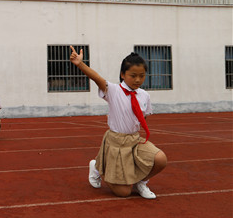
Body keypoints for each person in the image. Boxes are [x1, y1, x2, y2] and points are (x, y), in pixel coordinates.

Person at [69, 46, 167, 199]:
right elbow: (97, 78)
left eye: (142, 76)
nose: (138, 80)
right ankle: (97, 167)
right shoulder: (114, 91)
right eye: (133, 75)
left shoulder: (144, 95)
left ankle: (141, 182)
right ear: (122, 74)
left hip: (134, 140)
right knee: (124, 193)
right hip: (116, 143)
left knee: (160, 159)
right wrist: (80, 64)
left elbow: (142, 118)